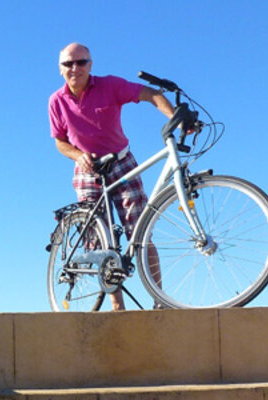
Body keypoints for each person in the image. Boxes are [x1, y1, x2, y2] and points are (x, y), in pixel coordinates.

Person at [48, 43, 174, 310]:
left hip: (121, 162)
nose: (75, 68)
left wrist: (174, 117)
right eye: (68, 64)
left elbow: (150, 94)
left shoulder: (110, 85)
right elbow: (59, 141)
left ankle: (159, 300)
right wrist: (77, 154)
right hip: (87, 168)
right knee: (100, 241)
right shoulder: (56, 101)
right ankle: (117, 305)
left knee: (141, 231)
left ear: (90, 65)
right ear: (60, 70)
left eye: (81, 62)